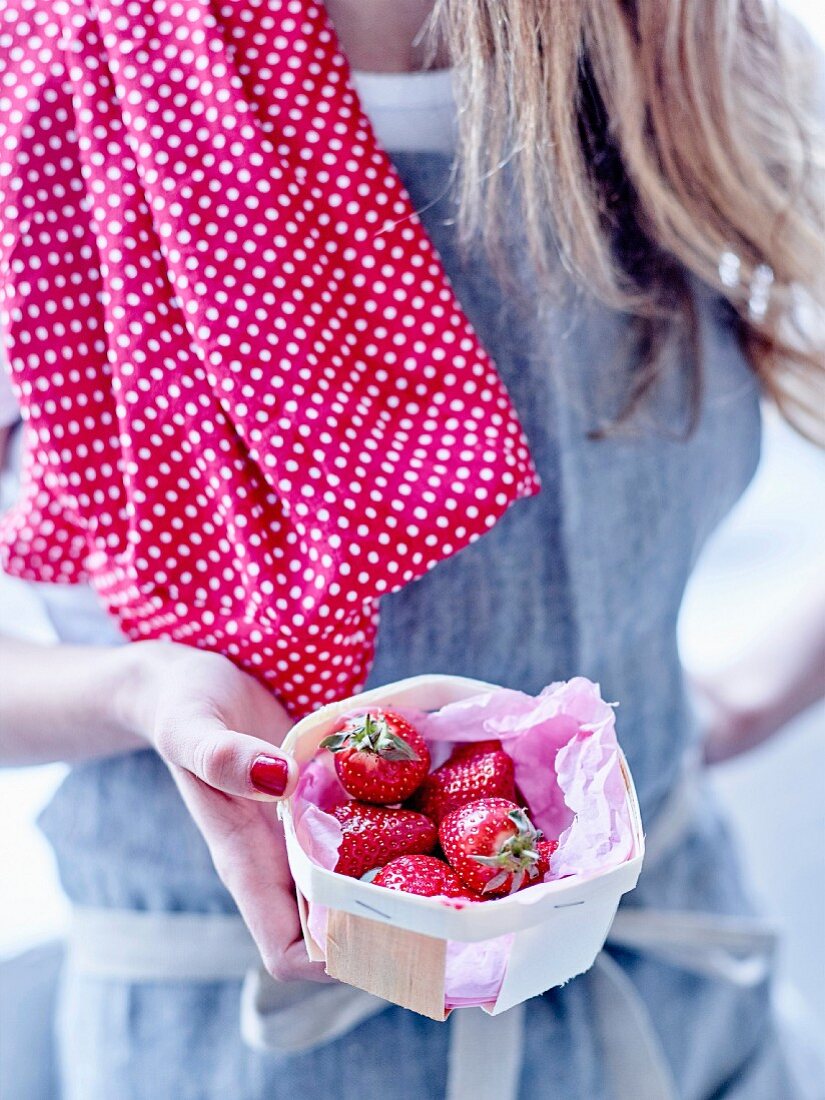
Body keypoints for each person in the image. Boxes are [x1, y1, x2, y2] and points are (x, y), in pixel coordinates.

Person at [0, 1, 823, 1097]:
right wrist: (140, 687)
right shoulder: (54, 79)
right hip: (239, 1054)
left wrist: (733, 692)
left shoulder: (680, 43)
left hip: (680, 1022)